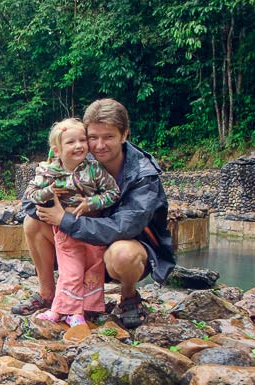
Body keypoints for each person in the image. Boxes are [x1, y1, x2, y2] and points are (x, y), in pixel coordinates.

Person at [11, 99, 176, 329]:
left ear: (124, 135)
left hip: (123, 250)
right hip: (81, 244)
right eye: (93, 137)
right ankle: (48, 295)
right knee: (33, 222)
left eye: (108, 137)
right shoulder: (77, 156)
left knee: (123, 253)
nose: (99, 145)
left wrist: (66, 219)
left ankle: (128, 297)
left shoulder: (143, 174)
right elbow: (29, 202)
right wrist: (52, 198)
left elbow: (124, 227)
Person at [23, 118, 120, 328]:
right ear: (57, 150)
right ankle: (66, 310)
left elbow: (114, 192)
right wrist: (49, 191)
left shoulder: (94, 169)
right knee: (71, 269)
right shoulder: (49, 172)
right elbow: (30, 194)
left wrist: (91, 203)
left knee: (93, 268)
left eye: (82, 140)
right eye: (71, 142)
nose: (78, 146)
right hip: (65, 229)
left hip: (93, 229)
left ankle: (90, 308)